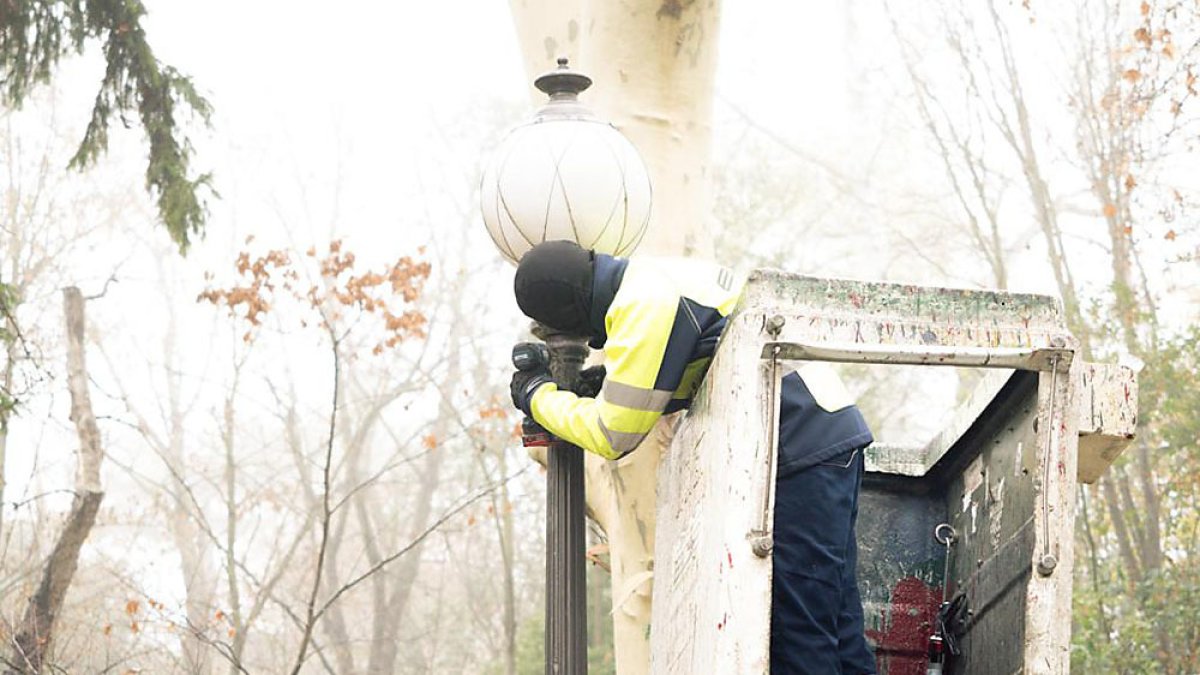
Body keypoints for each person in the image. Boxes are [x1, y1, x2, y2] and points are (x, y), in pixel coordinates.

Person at [508, 240, 877, 675]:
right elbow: (704, 358)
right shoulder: (655, 278)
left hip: (795, 445)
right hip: (825, 433)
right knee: (838, 627)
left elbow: (612, 434)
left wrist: (538, 396)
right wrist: (604, 381)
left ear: (566, 310)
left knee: (798, 634)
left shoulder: (641, 307)